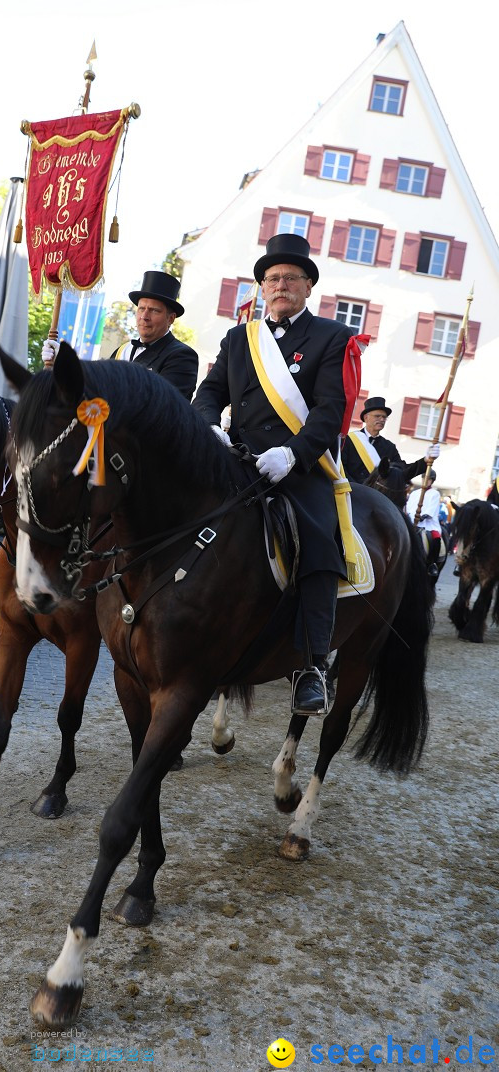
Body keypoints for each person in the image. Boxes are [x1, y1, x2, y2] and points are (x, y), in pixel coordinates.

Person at [193, 233, 353, 715]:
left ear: (308, 287)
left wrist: (293, 453)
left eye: (291, 278)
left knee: (320, 542)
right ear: (262, 287)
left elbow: (330, 412)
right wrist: (208, 429)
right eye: (272, 278)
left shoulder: (331, 336)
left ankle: (312, 664)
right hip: (236, 458)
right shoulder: (238, 338)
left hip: (296, 465)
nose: (280, 285)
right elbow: (209, 393)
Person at [41, 271, 199, 401]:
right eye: (141, 308)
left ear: (170, 318)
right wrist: (62, 364)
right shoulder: (122, 350)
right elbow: (94, 386)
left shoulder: (182, 356)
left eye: (154, 310)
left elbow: (163, 405)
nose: (144, 316)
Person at [342, 396, 439, 484]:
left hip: (376, 498)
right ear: (366, 418)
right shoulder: (349, 440)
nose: (381, 419)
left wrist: (426, 460)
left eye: (384, 417)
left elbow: (402, 472)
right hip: (352, 493)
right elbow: (341, 468)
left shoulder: (389, 447)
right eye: (377, 416)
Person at [406, 469, 442, 578]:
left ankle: (432, 564)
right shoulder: (414, 493)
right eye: (424, 478)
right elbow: (408, 507)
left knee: (435, 537)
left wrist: (423, 516)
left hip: (428, 523)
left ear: (432, 481)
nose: (425, 481)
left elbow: (432, 508)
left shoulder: (435, 493)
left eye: (428, 479)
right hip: (411, 521)